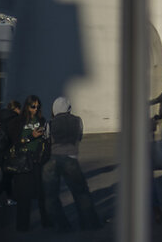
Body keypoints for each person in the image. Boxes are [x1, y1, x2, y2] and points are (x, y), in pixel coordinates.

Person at [43, 96, 100, 231]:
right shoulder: (78, 121)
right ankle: (88, 223)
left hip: (53, 160)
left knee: (51, 195)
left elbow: (46, 140)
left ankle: (62, 225)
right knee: (81, 193)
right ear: (68, 107)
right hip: (71, 159)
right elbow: (79, 136)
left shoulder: (49, 123)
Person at [6, 95, 52, 232]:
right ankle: (22, 226)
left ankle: (46, 222)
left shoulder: (42, 120)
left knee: (42, 193)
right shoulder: (18, 122)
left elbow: (47, 141)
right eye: (33, 106)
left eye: (38, 107)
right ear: (27, 106)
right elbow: (14, 142)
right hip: (22, 161)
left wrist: (44, 156)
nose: (35, 109)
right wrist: (31, 136)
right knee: (23, 196)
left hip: (37, 160)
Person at [0, 100, 21, 207]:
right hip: (7, 151)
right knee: (8, 175)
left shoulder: (4, 116)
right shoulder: (14, 118)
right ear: (15, 109)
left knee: (8, 175)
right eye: (19, 109)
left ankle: (10, 199)